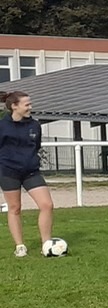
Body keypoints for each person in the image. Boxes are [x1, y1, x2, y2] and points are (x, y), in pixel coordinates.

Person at [1, 91, 54, 257]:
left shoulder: (34, 125)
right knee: (15, 208)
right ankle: (20, 246)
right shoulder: (2, 126)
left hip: (31, 172)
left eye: (30, 104)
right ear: (14, 106)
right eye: (27, 104)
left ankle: (47, 244)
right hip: (8, 172)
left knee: (47, 205)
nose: (30, 107)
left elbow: (36, 146)